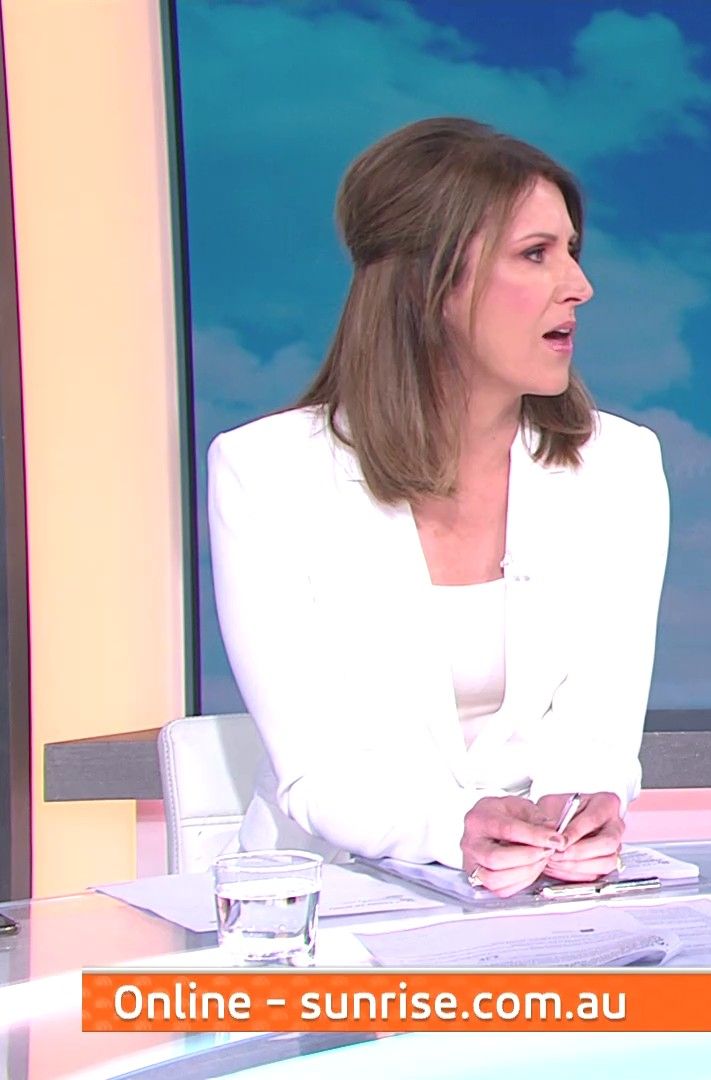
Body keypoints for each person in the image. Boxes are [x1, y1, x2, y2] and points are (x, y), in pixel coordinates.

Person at [208, 117, 670, 897]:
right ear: (429, 282)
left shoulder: (619, 466)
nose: (579, 286)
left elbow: (599, 724)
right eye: (535, 254)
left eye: (571, 251)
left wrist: (582, 805)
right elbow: (319, 769)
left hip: (544, 896)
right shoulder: (267, 472)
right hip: (331, 898)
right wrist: (456, 827)